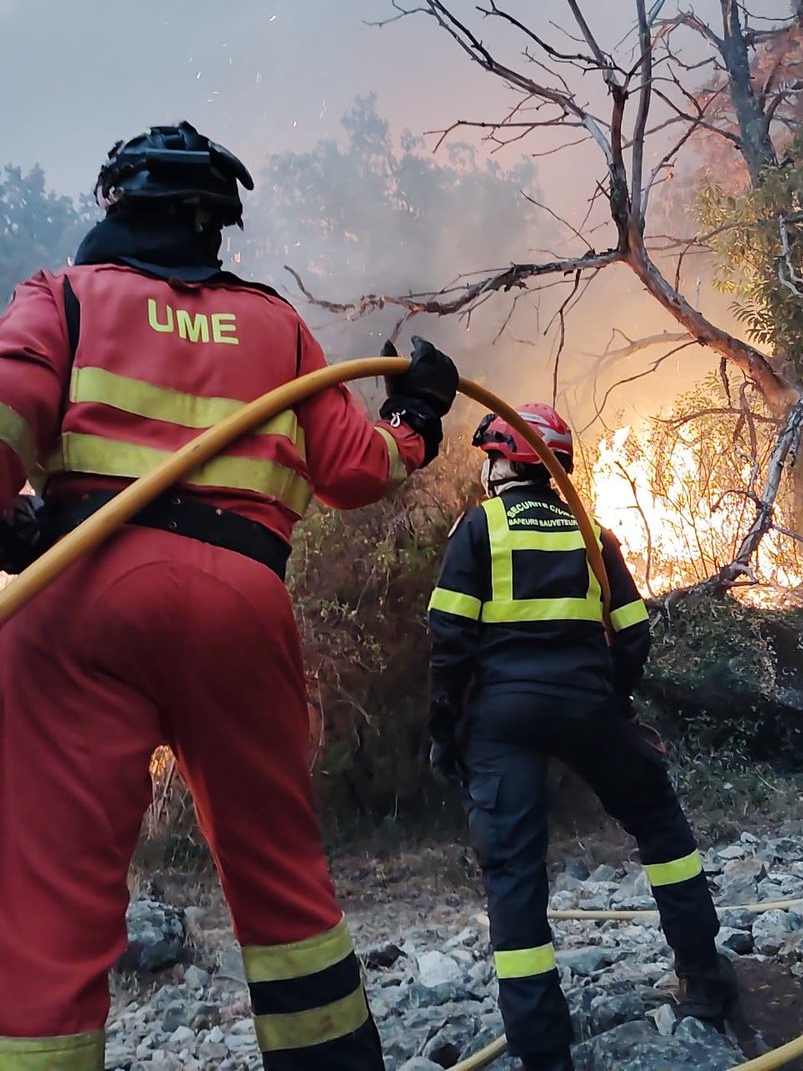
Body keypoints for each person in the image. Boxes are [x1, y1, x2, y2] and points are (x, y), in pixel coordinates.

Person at [0, 121, 458, 1071]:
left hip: (79, 599)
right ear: (216, 226)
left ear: (116, 204)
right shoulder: (275, 324)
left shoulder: (64, 295)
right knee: (282, 881)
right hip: (240, 607)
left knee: (49, 898)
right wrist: (416, 415)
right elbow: (356, 468)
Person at [426, 404, 737, 1071]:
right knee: (659, 823)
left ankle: (544, 1053)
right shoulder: (592, 534)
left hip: (501, 720)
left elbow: (449, 641)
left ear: (505, 461)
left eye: (491, 457)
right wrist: (610, 703)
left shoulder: (480, 528)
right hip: (587, 702)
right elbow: (633, 634)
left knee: (514, 877)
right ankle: (704, 978)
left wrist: (446, 730)